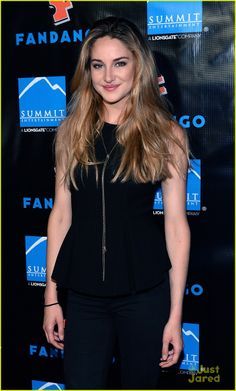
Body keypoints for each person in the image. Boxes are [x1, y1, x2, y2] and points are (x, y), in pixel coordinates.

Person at [43, 16, 191, 389]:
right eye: (98, 65)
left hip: (144, 296)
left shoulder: (166, 134)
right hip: (84, 299)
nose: (108, 75)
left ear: (137, 66)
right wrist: (50, 297)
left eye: (119, 63)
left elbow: (175, 224)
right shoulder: (71, 132)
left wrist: (175, 316)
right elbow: (61, 215)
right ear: (88, 70)